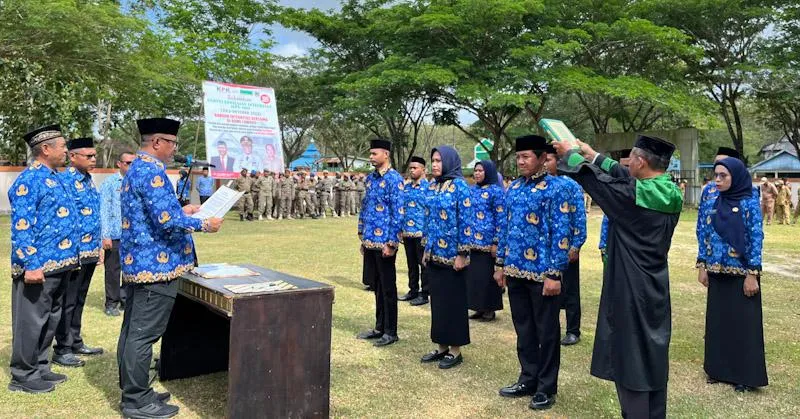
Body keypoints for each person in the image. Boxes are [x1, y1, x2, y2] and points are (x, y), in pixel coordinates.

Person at [553, 135, 683, 419]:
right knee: (652, 353)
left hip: (629, 287)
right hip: (655, 284)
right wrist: (593, 154)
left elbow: (597, 183)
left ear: (641, 162)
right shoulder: (669, 191)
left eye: (630, 159)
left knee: (630, 356)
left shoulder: (631, 198)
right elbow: (622, 176)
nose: (626, 164)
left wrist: (571, 154)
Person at [118, 118, 223, 418]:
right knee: (143, 334)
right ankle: (136, 400)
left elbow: (155, 213)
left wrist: (182, 209)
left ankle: (135, 389)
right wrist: (204, 223)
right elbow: (166, 221)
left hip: (141, 263)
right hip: (156, 266)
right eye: (173, 143)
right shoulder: (151, 172)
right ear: (157, 142)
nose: (175, 148)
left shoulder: (137, 168)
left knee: (133, 330)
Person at [495, 135, 570, 411]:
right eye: (518, 157)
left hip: (543, 274)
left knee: (547, 332)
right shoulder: (513, 188)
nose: (521, 161)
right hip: (515, 270)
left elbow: (561, 234)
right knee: (524, 329)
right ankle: (528, 378)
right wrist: (500, 264)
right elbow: (504, 228)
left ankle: (546, 387)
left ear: (542, 158)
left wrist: (555, 274)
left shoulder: (556, 189)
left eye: (526, 156)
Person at [8, 125, 78, 394]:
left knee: (50, 318)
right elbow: (22, 227)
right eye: (63, 146)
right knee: (31, 321)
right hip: (38, 267)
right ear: (46, 149)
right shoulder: (29, 180)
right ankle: (23, 375)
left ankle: (39, 366)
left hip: (60, 264)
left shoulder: (55, 177)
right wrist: (31, 264)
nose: (66, 151)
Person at [697, 157, 767, 393]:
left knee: (742, 326)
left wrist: (752, 274)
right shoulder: (711, 201)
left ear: (735, 177)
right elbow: (703, 233)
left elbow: (755, 238)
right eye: (715, 175)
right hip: (716, 272)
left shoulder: (749, 202)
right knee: (718, 324)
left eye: (723, 176)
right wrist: (702, 266)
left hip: (741, 274)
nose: (717, 180)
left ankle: (743, 375)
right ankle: (717, 370)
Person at [418, 146, 474, 369]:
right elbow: (427, 219)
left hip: (453, 257)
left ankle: (455, 350)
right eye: (433, 160)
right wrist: (426, 248)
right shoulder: (432, 186)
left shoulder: (460, 187)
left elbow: (466, 222)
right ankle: (441, 346)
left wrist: (462, 253)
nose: (434, 164)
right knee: (438, 303)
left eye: (439, 161)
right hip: (434, 255)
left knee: (454, 303)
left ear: (450, 161)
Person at [53, 137, 105, 368]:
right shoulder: (64, 180)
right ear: (73, 157)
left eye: (94, 155)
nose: (94, 159)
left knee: (80, 298)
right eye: (89, 156)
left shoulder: (88, 180)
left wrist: (99, 246)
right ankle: (62, 348)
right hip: (74, 252)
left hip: (90, 250)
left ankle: (75, 341)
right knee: (68, 301)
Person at [356, 138, 404, 348]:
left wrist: (392, 243)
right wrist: (362, 235)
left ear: (386, 154)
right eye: (370, 153)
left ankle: (391, 331)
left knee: (388, 288)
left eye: (374, 153)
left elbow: (398, 213)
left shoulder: (394, 179)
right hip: (370, 241)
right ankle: (379, 327)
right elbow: (365, 207)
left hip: (385, 242)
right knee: (376, 286)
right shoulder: (371, 179)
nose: (371, 157)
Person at [544, 145, 587, 346]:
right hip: (545, 249)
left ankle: (573, 330)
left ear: (558, 161)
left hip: (567, 247)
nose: (545, 164)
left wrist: (576, 246)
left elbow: (579, 218)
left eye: (549, 160)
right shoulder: (541, 185)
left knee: (570, 290)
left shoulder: (571, 185)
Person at [465, 160, 505, 322]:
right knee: (475, 277)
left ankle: (490, 309)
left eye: (480, 171)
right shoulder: (472, 190)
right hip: (472, 242)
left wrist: (496, 242)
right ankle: (478, 307)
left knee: (488, 277)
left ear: (488, 172)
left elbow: (501, 218)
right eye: (475, 170)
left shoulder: (496, 192)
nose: (477, 173)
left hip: (489, 243)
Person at [100, 152, 136, 317]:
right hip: (114, 234)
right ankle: (111, 303)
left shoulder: (137, 182)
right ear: (119, 164)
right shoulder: (109, 183)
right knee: (113, 271)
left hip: (132, 235)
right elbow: (104, 210)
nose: (131, 166)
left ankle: (125, 300)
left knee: (130, 270)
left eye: (133, 163)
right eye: (127, 163)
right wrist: (105, 235)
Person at [398, 156, 430, 306]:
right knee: (411, 264)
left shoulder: (429, 188)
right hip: (407, 232)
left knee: (423, 264)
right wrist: (400, 228)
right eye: (410, 168)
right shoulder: (407, 187)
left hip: (421, 232)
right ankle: (413, 290)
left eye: (415, 168)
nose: (412, 170)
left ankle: (425, 293)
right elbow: (402, 208)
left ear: (423, 170)